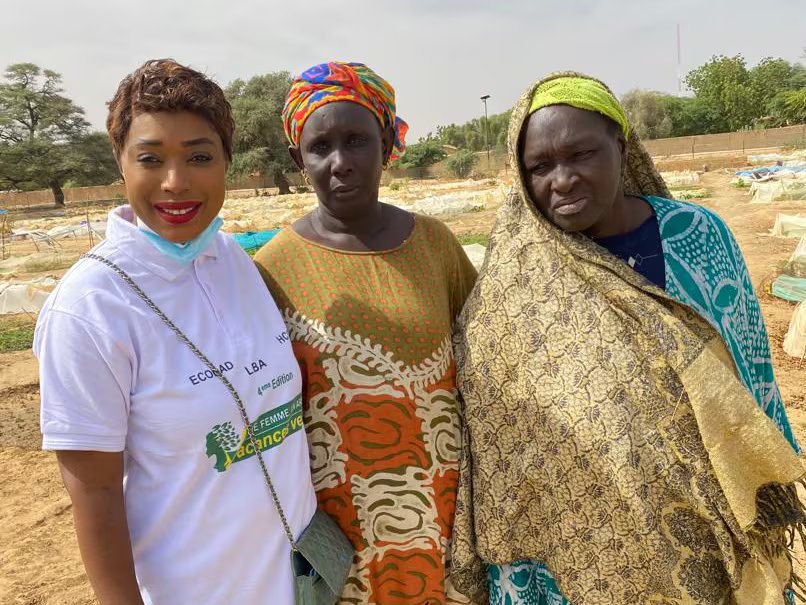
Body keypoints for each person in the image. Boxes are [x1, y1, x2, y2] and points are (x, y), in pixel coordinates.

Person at [450, 72, 805, 605]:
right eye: (539, 166)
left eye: (581, 154)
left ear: (621, 143)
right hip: (571, 547)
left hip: (701, 526)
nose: (561, 180)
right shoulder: (514, 276)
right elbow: (496, 418)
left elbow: (750, 373)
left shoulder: (696, 236)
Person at [34, 59, 317, 605]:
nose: (176, 182)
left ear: (227, 164)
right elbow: (93, 491)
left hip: (299, 586)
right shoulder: (91, 308)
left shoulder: (235, 260)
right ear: (120, 163)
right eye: (150, 158)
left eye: (199, 157)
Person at [254, 61, 477, 604]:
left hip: (450, 513)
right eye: (320, 147)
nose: (341, 163)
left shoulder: (435, 245)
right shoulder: (270, 270)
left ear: (386, 142)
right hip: (343, 532)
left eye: (356, 141)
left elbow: (484, 361)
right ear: (297, 160)